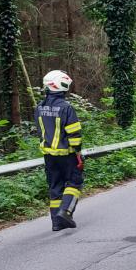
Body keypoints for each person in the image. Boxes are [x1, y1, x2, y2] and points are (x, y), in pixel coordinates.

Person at [36, 70, 84, 231]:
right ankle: (66, 212)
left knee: (55, 186)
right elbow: (74, 134)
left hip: (49, 155)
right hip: (67, 154)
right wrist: (78, 152)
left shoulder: (39, 107)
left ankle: (57, 223)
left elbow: (40, 131)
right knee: (74, 182)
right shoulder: (66, 108)